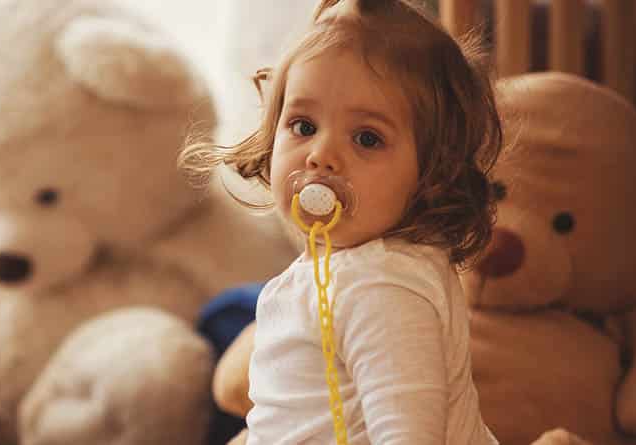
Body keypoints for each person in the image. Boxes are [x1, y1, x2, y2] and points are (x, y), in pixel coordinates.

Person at [180, 0, 503, 443]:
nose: (321, 155)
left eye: (367, 138)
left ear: (433, 171)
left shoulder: (382, 289)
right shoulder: (356, 270)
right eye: (303, 126)